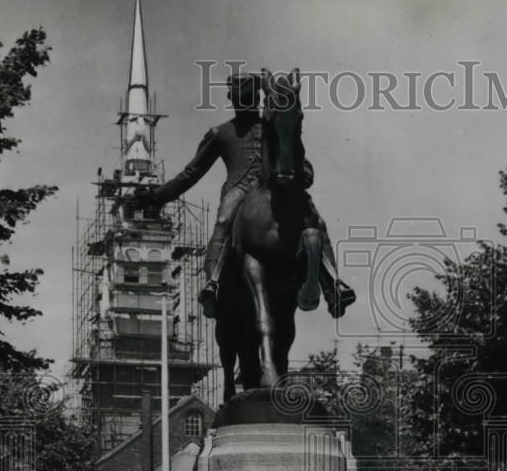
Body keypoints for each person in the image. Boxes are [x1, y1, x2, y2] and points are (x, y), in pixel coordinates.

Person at [135, 72, 354, 320]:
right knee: (223, 222)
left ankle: (332, 286)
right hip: (239, 190)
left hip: (273, 187)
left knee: (316, 221)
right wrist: (156, 197)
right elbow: (190, 174)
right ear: (233, 99)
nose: (247, 103)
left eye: (251, 97)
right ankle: (213, 284)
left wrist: (304, 171)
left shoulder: (272, 122)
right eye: (242, 98)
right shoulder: (220, 133)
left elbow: (293, 150)